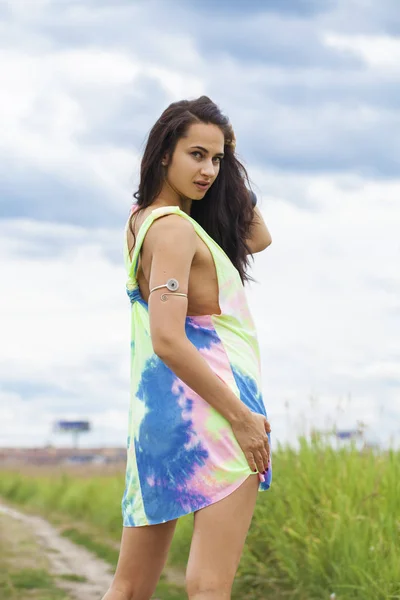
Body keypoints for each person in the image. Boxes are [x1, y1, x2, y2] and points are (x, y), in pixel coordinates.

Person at [102, 96, 272, 600]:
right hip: (217, 417)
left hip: (160, 417)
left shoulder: (143, 220)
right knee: (209, 587)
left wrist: (229, 159)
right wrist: (241, 417)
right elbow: (168, 337)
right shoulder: (174, 229)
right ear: (163, 153)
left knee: (129, 587)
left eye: (217, 160)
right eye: (196, 155)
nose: (209, 171)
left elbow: (258, 238)